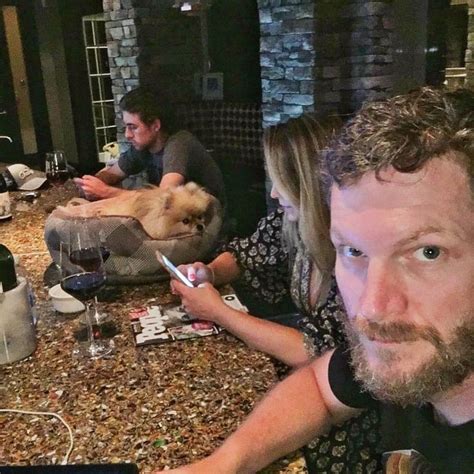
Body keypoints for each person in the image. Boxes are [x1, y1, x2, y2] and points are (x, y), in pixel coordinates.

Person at [154, 87, 474, 473]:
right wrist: (223, 463)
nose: (372, 307)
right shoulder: (415, 356)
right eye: (354, 252)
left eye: (428, 252)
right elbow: (322, 389)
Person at [171, 114, 381, 472]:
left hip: (359, 427)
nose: (271, 193)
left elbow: (320, 356)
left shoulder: (357, 255)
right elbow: (245, 252)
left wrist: (220, 312)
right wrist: (210, 270)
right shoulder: (292, 223)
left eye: (279, 181)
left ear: (309, 183)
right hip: (313, 392)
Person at [74, 87, 226, 209]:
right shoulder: (143, 147)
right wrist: (91, 183)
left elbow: (162, 197)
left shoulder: (179, 144)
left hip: (206, 222)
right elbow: (112, 174)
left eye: (132, 127)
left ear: (155, 125)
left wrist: (106, 192)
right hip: (177, 217)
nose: (127, 135)